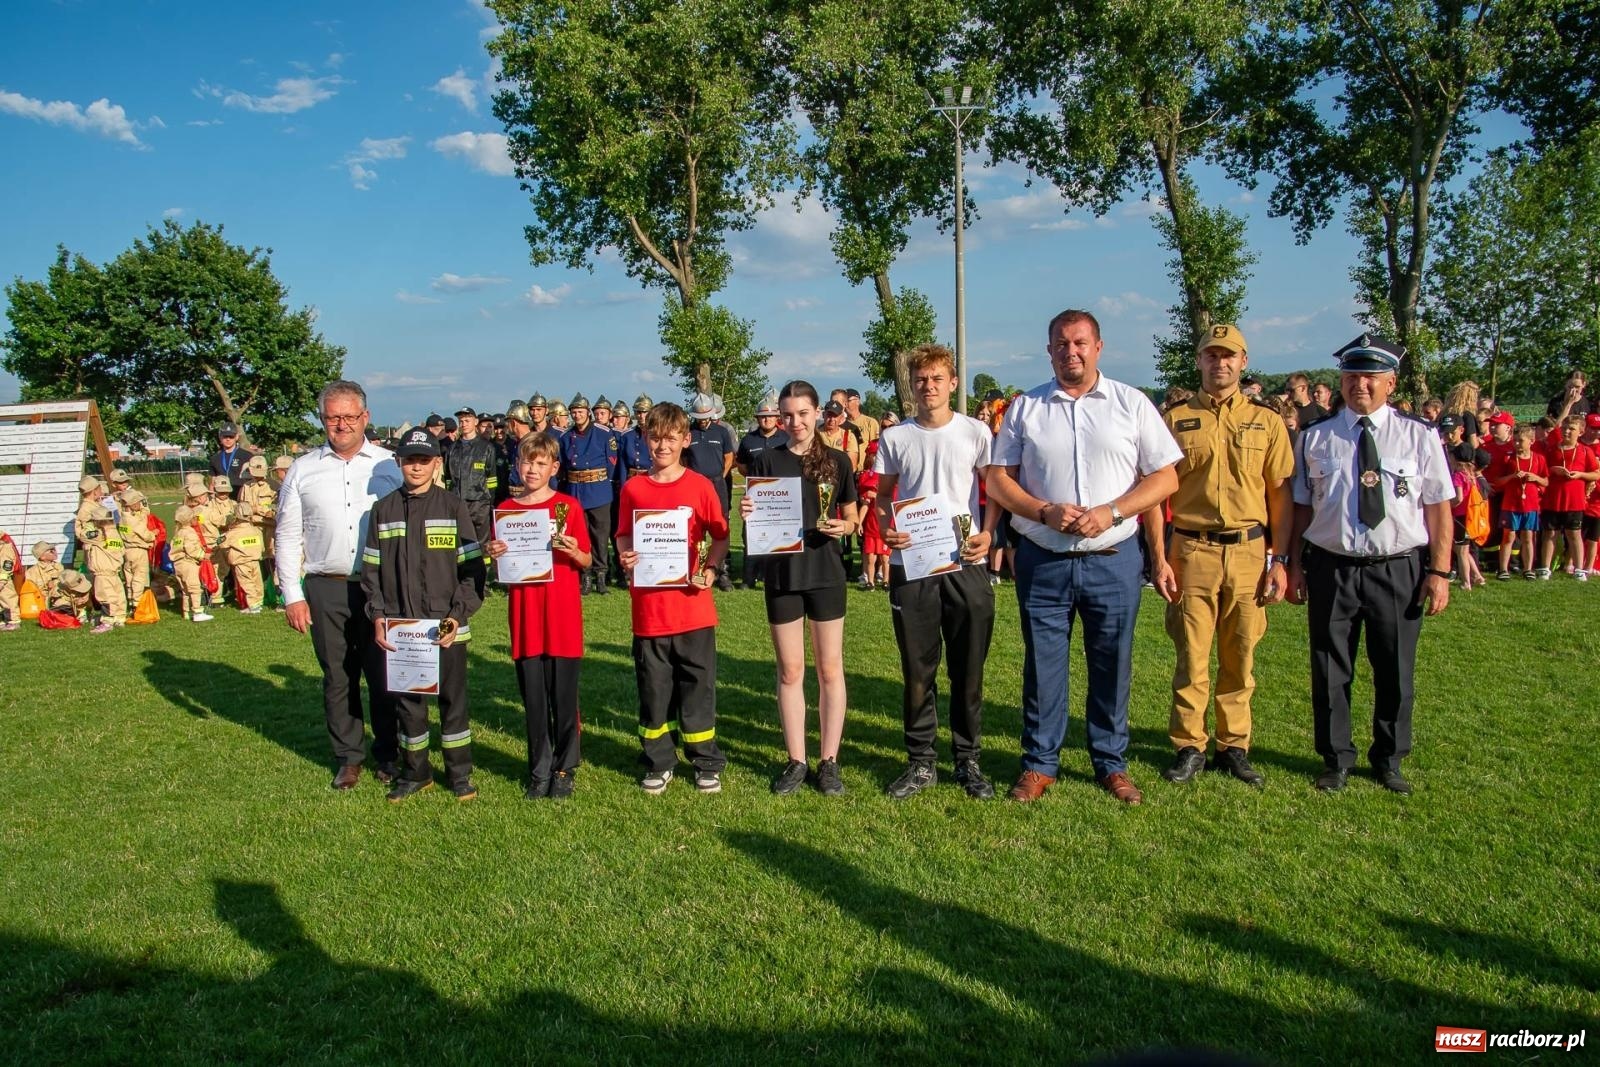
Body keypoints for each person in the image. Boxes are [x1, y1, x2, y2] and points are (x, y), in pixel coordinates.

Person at [986, 309, 1182, 805]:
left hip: (1112, 558)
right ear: (1048, 350)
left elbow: (1165, 477)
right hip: (1044, 558)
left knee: (1112, 664)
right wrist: (1043, 511)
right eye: (1060, 343)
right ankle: (1039, 763)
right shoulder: (1026, 407)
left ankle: (1111, 763)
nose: (1069, 351)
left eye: (1079, 342)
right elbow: (999, 480)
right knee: (1043, 666)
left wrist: (1112, 511)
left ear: (1098, 347)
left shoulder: (1131, 403)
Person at [1286, 334, 1453, 795]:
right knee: (1329, 668)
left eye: (1370, 376)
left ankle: (1389, 758)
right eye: (1352, 376)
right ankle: (1336, 757)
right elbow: (1301, 507)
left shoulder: (1418, 434)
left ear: (1391, 383)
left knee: (1395, 667)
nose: (1360, 384)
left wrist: (1439, 572)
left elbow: (1438, 507)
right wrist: (1293, 565)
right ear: (1340, 381)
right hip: (1331, 567)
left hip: (1397, 567)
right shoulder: (1316, 436)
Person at [1145, 324, 1294, 789]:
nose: (1220, 363)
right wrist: (1158, 557)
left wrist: (1280, 559)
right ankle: (1190, 745)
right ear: (1199, 361)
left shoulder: (1266, 421)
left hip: (1249, 550)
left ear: (1243, 362)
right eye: (1211, 355)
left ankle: (1234, 747)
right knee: (1191, 656)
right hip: (1191, 549)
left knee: (1241, 654)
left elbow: (1280, 495)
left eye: (1229, 355)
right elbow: (1154, 492)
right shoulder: (1175, 419)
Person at [874, 344, 998, 800]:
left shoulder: (976, 432)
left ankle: (968, 760)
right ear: (912, 384)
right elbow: (882, 495)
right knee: (918, 670)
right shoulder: (896, 437)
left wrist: (989, 533)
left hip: (966, 562)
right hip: (914, 565)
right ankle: (921, 762)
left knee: (968, 670)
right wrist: (886, 529)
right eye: (921, 379)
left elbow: (994, 490)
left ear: (953, 383)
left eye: (937, 378)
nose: (928, 386)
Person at [275, 380, 405, 791]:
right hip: (326, 586)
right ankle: (348, 758)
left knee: (384, 673)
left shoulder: (389, 466)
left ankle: (388, 752)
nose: (342, 424)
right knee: (338, 675)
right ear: (322, 419)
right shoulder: (303, 469)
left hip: (380, 587)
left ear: (366, 417)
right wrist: (292, 596)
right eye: (334, 417)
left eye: (350, 416)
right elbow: (286, 535)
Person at [744, 381, 860, 796]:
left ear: (817, 413)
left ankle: (829, 761)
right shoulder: (766, 460)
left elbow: (852, 516)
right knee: (791, 670)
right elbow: (756, 523)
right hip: (783, 575)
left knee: (830, 669)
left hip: (826, 573)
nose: (795, 422)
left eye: (803, 414)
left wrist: (845, 525)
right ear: (779, 417)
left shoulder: (838, 460)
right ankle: (796, 760)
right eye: (787, 415)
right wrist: (748, 510)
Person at [363, 428, 486, 802]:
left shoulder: (452, 507)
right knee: (408, 705)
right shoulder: (382, 510)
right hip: (402, 628)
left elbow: (472, 571)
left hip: (446, 626)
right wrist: (379, 616)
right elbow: (371, 571)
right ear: (398, 462)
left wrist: (457, 616)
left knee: (453, 703)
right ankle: (416, 773)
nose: (415, 467)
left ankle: (459, 774)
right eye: (409, 460)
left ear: (436, 464)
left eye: (423, 460)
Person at [615, 402, 731, 794]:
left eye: (670, 438)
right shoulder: (633, 488)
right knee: (654, 688)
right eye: (655, 438)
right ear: (645, 439)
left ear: (685, 439)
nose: (662, 446)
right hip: (649, 610)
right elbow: (623, 534)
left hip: (693, 608)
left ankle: (705, 760)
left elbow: (720, 535)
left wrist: (711, 568)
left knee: (698, 686)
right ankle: (659, 759)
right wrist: (625, 556)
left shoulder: (700, 486)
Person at [485, 432, 592, 799]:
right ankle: (539, 769)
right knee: (533, 699)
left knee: (564, 697)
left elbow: (587, 560)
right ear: (517, 464)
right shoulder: (506, 510)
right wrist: (495, 553)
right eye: (527, 462)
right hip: (526, 615)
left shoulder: (568, 507)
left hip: (561, 614)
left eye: (540, 463)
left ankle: (565, 767)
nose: (532, 469)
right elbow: (500, 568)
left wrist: (573, 550)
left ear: (554, 468)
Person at [560, 393, 621, 595]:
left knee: (600, 536)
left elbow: (612, 461)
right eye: (574, 412)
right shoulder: (565, 436)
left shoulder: (604, 433)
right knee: (581, 535)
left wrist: (602, 481)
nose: (577, 415)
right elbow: (563, 464)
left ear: (588, 412)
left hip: (599, 490)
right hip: (576, 491)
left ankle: (601, 576)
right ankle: (585, 575)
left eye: (580, 411)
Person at [734, 392, 789, 588]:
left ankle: (773, 577)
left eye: (771, 416)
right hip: (755, 496)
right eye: (763, 416)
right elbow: (741, 466)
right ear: (757, 418)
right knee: (751, 536)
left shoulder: (786, 438)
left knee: (778, 537)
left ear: (777, 417)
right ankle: (748, 579)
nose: (767, 419)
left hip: (780, 495)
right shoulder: (748, 440)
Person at [683, 392, 736, 590]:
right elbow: (684, 459)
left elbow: (729, 457)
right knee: (696, 527)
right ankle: (697, 569)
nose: (703, 420)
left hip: (717, 484)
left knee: (720, 526)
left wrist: (721, 476)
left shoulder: (721, 432)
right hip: (694, 486)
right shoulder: (688, 432)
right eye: (700, 417)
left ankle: (722, 572)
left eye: (706, 417)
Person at [1538, 415, 1599, 579]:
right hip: (1552, 499)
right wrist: (1553, 470)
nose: (1566, 431)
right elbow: (1541, 471)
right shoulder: (1551, 449)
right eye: (1564, 428)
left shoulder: (1585, 451)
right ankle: (1545, 568)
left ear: (1581, 432)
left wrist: (1580, 475)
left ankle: (1579, 569)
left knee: (1574, 534)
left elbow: (1596, 474)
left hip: (1574, 501)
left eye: (1571, 429)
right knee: (1550, 534)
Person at [1491, 424, 1546, 579]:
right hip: (1511, 504)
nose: (1516, 444)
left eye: (1520, 441)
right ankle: (1503, 569)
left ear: (1531, 441)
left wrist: (1536, 478)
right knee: (1508, 536)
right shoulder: (1508, 458)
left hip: (1530, 505)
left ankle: (1528, 569)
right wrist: (1512, 476)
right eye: (1514, 440)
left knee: (1528, 536)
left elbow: (1546, 481)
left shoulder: (1539, 459)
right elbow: (1498, 481)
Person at [444, 406, 499, 554]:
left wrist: (489, 501)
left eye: (467, 420)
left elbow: (492, 479)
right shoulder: (452, 449)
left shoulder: (487, 447)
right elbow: (448, 478)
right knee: (460, 541)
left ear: (475, 422)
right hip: (457, 502)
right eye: (461, 421)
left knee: (482, 542)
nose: (464, 424)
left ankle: (485, 567)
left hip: (480, 503)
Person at [1447, 444, 1489, 590]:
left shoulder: (1458, 476)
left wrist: (1447, 506)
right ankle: (1477, 576)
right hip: (1470, 517)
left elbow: (1458, 498)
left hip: (1460, 517)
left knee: (1461, 552)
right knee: (1462, 549)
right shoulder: (1471, 475)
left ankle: (1466, 582)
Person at [82, 504, 128, 633]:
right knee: (118, 596)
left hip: (102, 572)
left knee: (106, 597)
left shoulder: (99, 534)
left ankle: (107, 621)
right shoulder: (115, 533)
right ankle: (119, 618)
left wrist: (87, 527)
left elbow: (83, 536)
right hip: (114, 572)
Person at [221, 502, 267, 613]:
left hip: (241, 563)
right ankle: (259, 601)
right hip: (255, 561)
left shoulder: (233, 533)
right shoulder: (256, 530)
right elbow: (262, 547)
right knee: (257, 582)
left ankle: (253, 605)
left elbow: (222, 544)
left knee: (247, 583)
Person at [169, 505, 213, 623]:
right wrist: (203, 555)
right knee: (195, 588)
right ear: (190, 519)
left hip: (178, 564)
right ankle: (197, 612)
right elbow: (191, 550)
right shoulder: (190, 532)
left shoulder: (178, 533)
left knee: (185, 590)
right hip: (188, 564)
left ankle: (186, 611)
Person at [117, 489, 158, 605]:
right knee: (139, 577)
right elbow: (145, 534)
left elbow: (143, 515)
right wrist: (153, 534)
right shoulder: (132, 520)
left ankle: (130, 598)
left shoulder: (123, 518)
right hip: (138, 550)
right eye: (138, 502)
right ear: (133, 504)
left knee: (129, 576)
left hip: (127, 550)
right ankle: (137, 601)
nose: (140, 504)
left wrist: (144, 509)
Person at [211, 422, 253, 494]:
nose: (228, 439)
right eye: (225, 436)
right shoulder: (214, 458)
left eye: (231, 436)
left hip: (242, 496)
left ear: (237, 437)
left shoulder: (247, 456)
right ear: (220, 437)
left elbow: (254, 480)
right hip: (222, 497)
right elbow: (212, 483)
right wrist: (211, 496)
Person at [26, 541, 64, 608]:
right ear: (42, 557)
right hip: (40, 603)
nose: (55, 552)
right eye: (51, 551)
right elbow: (30, 592)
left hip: (58, 599)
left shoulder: (59, 566)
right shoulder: (31, 572)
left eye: (54, 549)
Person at [0, 531, 18, 630]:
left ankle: (13, 621)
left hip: (4, 581)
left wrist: (2, 581)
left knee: (8, 600)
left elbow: (7, 566)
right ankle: (2, 621)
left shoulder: (6, 548)